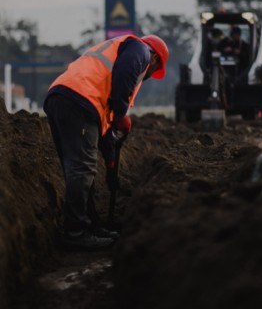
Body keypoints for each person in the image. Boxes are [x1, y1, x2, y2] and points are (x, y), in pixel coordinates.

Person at [43, 34, 169, 250]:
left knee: (78, 166)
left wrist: (111, 166)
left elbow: (106, 131)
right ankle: (75, 233)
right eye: (153, 70)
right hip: (79, 100)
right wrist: (121, 114)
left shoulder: (116, 55)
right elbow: (125, 77)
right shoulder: (140, 50)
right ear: (155, 59)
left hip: (63, 97)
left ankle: (91, 225)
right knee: (82, 169)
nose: (148, 74)